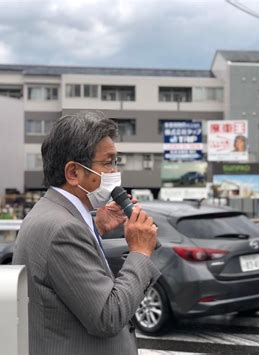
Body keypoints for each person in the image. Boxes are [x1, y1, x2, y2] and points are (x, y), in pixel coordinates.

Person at [13, 111, 160, 355]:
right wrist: (140, 252)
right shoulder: (63, 229)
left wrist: (97, 227)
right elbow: (107, 316)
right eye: (108, 162)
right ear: (73, 173)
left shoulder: (55, 213)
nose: (114, 171)